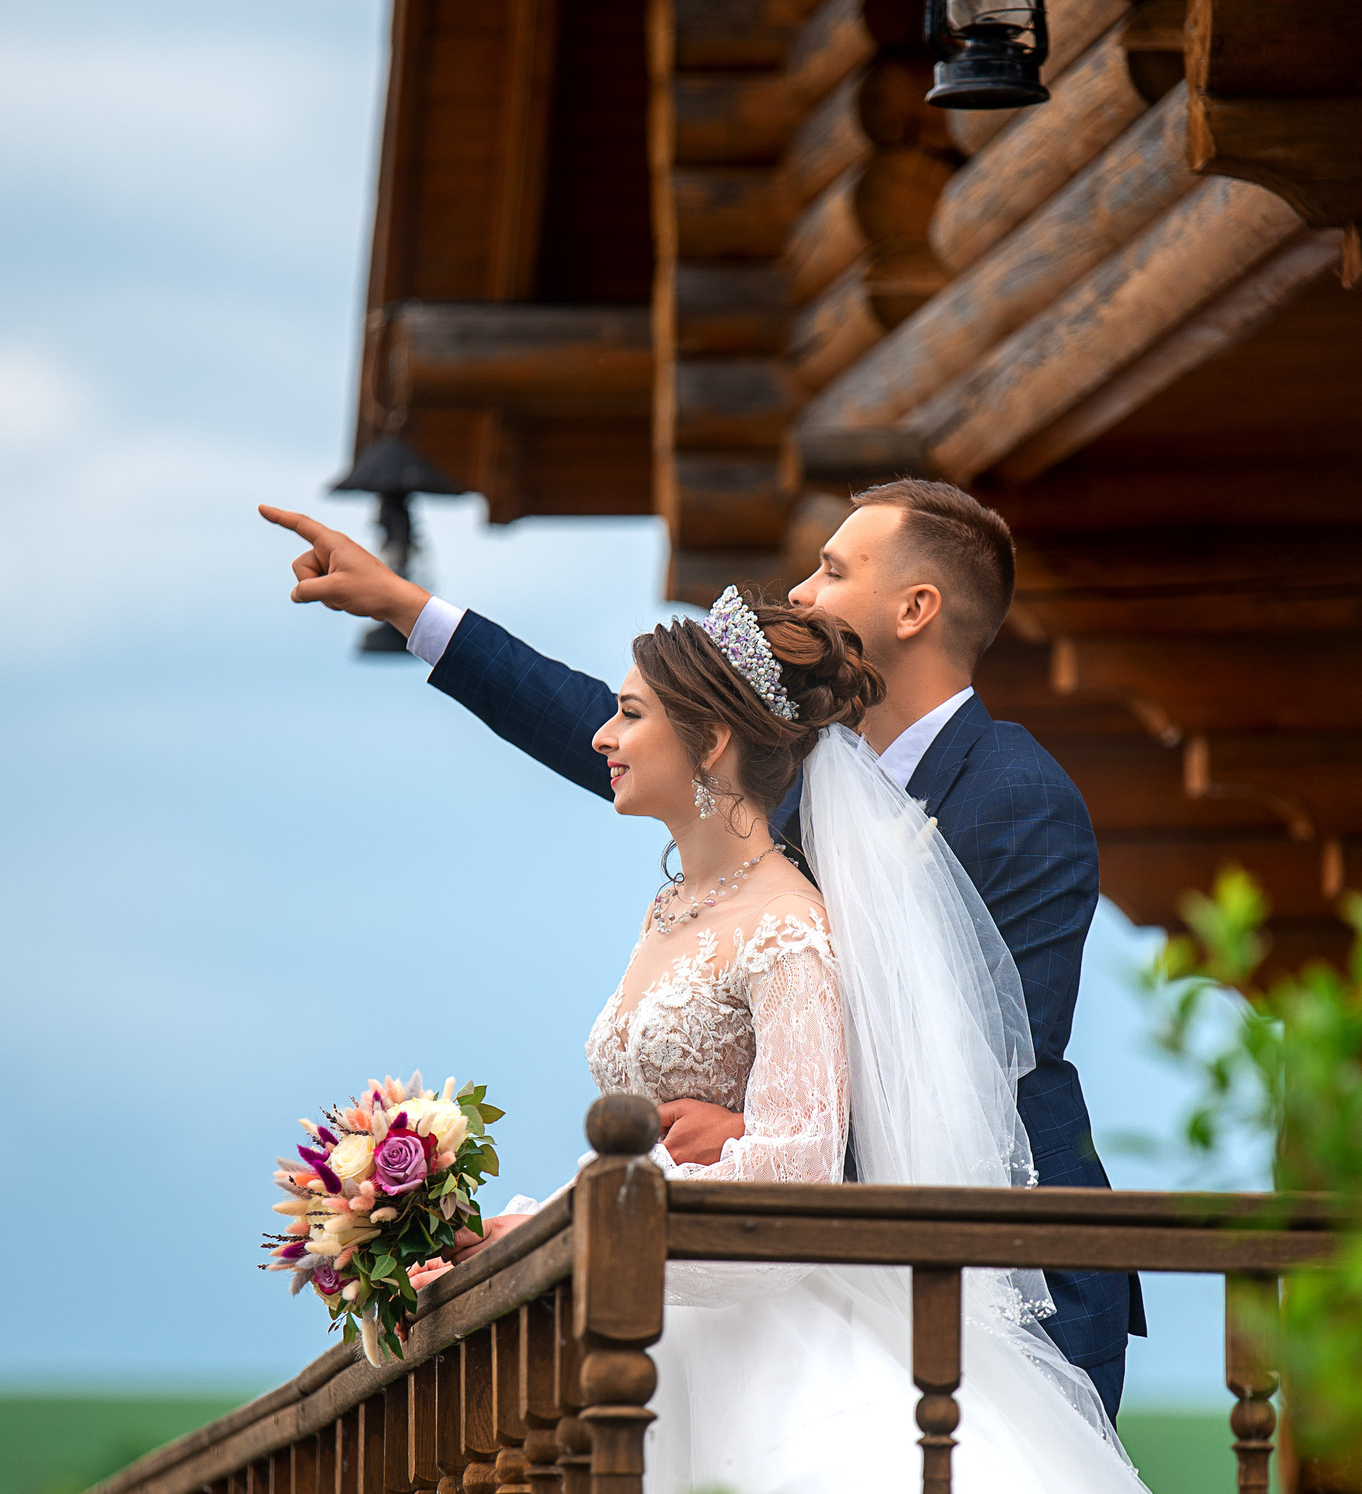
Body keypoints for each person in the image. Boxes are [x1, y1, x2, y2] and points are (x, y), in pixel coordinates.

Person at [390, 588, 1208, 1494]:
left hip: (764, 1326)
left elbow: (797, 1160)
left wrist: (599, 1209)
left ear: (714, 740)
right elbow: (647, 1146)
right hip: (670, 1313)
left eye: (630, 715)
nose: (604, 737)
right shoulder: (671, 909)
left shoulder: (789, 922)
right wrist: (523, 1222)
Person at [258, 480, 1146, 1415]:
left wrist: (769, 1142)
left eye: (833, 568)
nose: (800, 590)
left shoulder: (1020, 795)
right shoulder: (803, 776)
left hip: (1020, 1268)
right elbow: (620, 730)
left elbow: (980, 1060)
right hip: (827, 1277)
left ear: (916, 608)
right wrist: (410, 608)